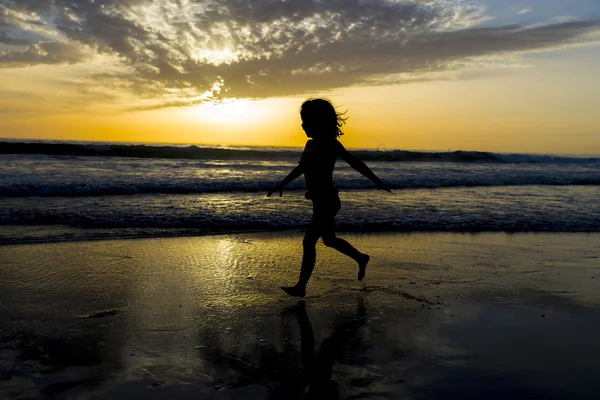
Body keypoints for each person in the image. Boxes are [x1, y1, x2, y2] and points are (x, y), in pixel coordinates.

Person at [268, 98, 391, 297]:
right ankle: (361, 258)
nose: (302, 125)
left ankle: (301, 287)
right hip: (319, 202)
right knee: (329, 240)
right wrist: (282, 183)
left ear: (318, 121)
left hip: (328, 201)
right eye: (302, 120)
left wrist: (376, 181)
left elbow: (355, 162)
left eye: (306, 120)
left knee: (309, 242)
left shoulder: (331, 145)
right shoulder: (309, 144)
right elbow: (302, 167)